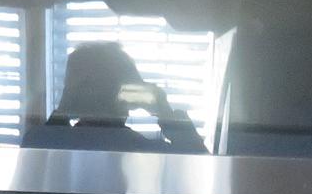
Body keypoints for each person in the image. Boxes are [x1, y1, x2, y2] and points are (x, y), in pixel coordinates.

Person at [24, 41, 207, 153]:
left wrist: (62, 112)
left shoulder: (49, 145)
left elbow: (35, 145)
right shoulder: (143, 151)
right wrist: (164, 111)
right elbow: (198, 165)